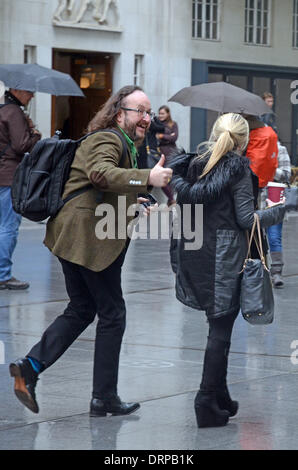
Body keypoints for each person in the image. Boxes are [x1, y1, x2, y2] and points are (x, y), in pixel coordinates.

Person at [9, 85, 173, 416]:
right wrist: (148, 178)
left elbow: (99, 184)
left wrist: (133, 198)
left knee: (82, 308)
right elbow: (100, 175)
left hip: (76, 236)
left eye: (148, 112)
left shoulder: (121, 142)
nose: (145, 118)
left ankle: (30, 367)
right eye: (139, 110)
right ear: (119, 112)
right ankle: (103, 397)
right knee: (112, 314)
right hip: (90, 239)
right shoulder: (108, 138)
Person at [169, 113, 286, 428]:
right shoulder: (238, 171)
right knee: (221, 329)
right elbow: (247, 220)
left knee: (216, 324)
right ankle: (205, 400)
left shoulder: (191, 166)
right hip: (224, 256)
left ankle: (219, 394)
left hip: (195, 253)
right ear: (245, 141)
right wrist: (283, 209)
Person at [0, 88, 41, 290]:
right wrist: (34, 134)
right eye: (29, 91)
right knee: (8, 227)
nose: (32, 95)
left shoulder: (2, 109)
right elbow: (21, 145)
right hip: (8, 177)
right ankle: (3, 275)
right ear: (16, 90)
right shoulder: (13, 112)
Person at [267, 141, 291, 288]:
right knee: (254, 236)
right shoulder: (250, 148)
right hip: (253, 197)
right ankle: (259, 270)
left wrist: (269, 168)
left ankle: (276, 272)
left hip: (274, 197)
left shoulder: (279, 149)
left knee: (274, 236)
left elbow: (287, 174)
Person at [157, 105, 178, 206]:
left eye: (162, 113)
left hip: (172, 153)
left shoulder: (173, 124)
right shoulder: (157, 124)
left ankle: (170, 200)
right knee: (163, 177)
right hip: (161, 154)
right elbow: (157, 137)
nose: (160, 115)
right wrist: (169, 136)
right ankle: (171, 199)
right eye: (159, 113)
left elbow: (174, 138)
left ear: (168, 114)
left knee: (171, 176)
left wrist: (162, 136)